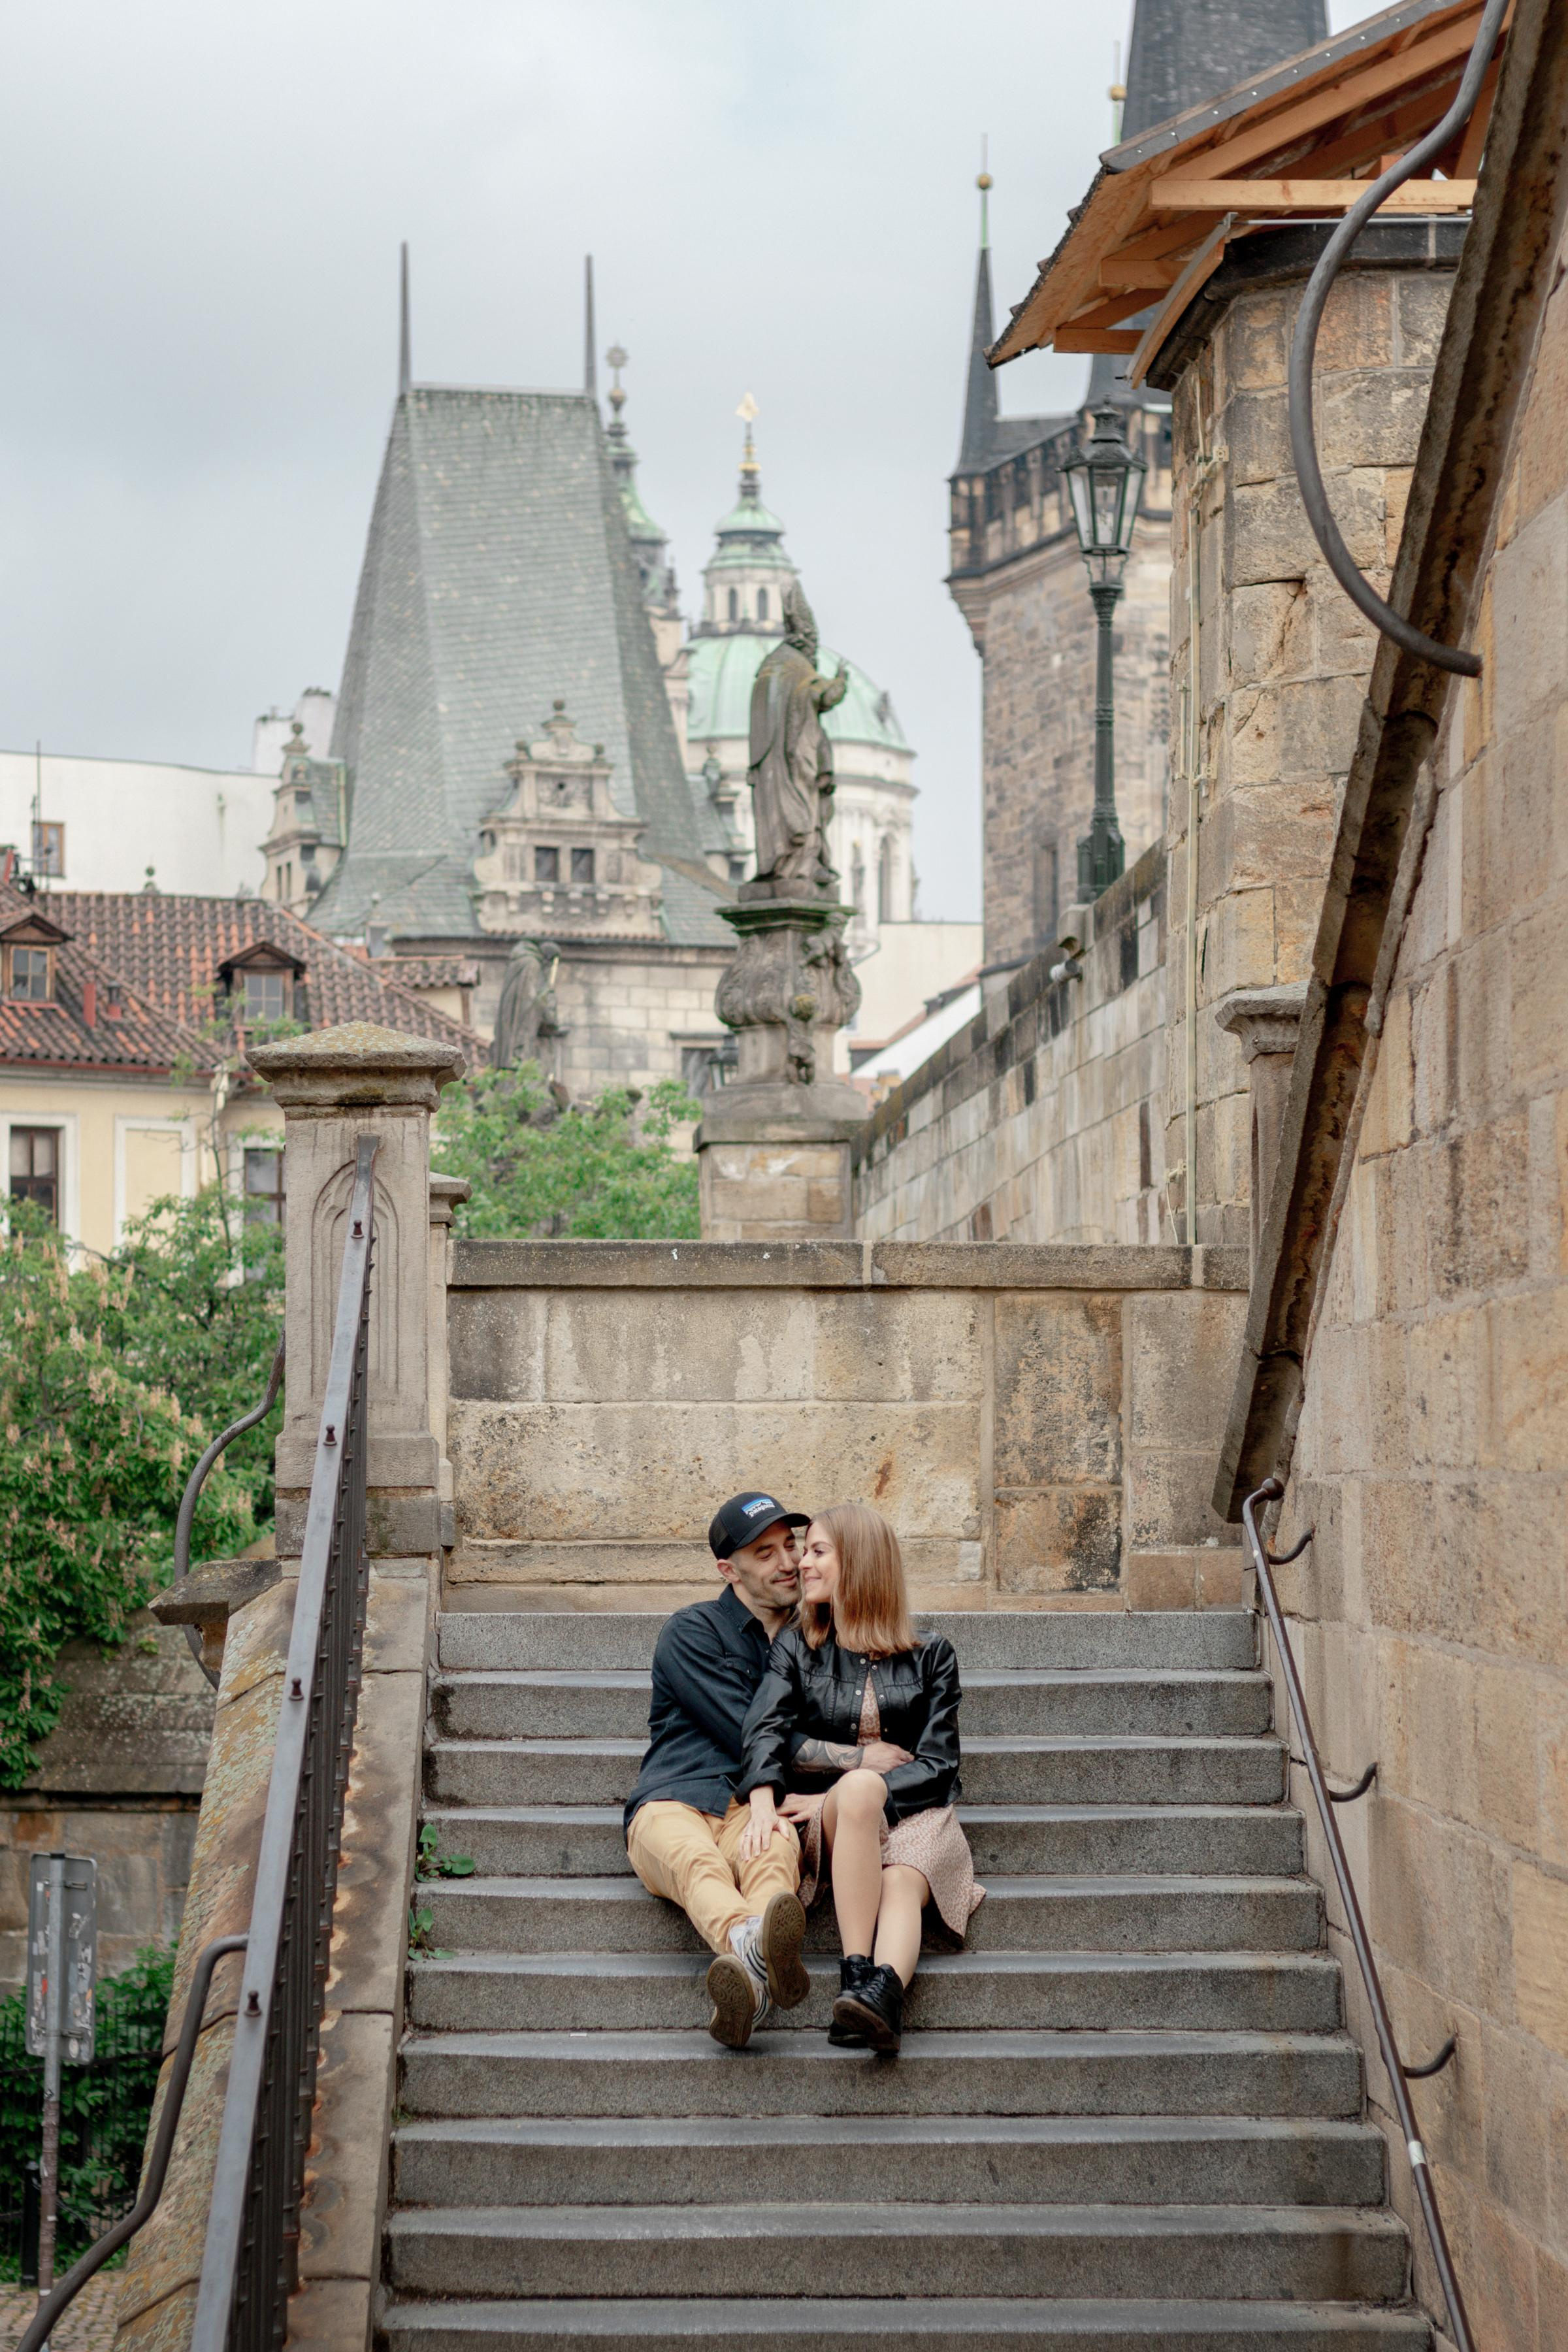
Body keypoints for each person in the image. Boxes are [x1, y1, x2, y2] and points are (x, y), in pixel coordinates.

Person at [739, 1503, 984, 2053]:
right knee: (859, 1788)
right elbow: (766, 1732)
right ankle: (855, 1973)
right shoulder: (798, 1645)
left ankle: (878, 2001)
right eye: (808, 1551)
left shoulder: (932, 1655)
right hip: (837, 1815)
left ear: (861, 1563)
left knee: (901, 1878)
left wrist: (863, 1791)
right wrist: (850, 1777)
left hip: (921, 1812)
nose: (803, 1562)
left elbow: (939, 1764)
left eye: (818, 1550)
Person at [625, 1492, 840, 2048]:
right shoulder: (692, 1632)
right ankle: (752, 1945)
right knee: (697, 1862)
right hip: (676, 1798)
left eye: (790, 1546)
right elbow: (750, 1732)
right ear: (730, 1570)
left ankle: (750, 1982)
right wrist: (860, 1759)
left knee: (774, 1859)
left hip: (760, 1804)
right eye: (765, 1554)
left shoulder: (816, 1640)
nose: (789, 1562)